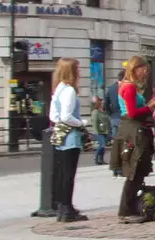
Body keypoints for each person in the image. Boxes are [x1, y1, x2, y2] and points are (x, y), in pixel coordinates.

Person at [47, 58, 88, 223]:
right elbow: (66, 116)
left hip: (61, 135)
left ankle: (63, 207)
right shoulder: (69, 90)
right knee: (69, 174)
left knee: (63, 173)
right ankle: (67, 207)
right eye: (77, 69)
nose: (79, 72)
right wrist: (81, 123)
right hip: (70, 136)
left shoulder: (58, 89)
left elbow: (54, 116)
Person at [116, 57, 155, 223]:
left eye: (145, 69)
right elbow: (132, 112)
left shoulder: (127, 86)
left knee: (137, 172)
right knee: (134, 171)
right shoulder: (129, 87)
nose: (144, 72)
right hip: (134, 130)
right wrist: (150, 107)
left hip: (134, 129)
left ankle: (130, 207)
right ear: (134, 69)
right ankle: (126, 208)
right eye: (142, 69)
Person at [89, 97, 112, 166]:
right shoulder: (95, 112)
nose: (103, 104)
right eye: (102, 103)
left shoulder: (104, 112)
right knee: (102, 145)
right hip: (99, 132)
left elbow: (108, 121)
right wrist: (96, 131)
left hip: (105, 131)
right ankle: (96, 157)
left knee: (103, 146)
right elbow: (95, 122)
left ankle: (101, 159)